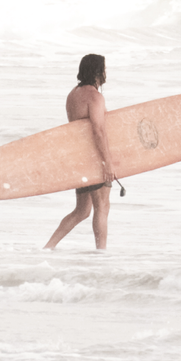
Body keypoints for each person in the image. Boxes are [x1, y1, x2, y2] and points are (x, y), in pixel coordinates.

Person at [43, 53, 116, 251]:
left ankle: (48, 247)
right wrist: (107, 162)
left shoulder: (73, 95)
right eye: (104, 69)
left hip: (78, 157)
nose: (106, 73)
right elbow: (98, 131)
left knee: (82, 210)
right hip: (94, 158)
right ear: (98, 72)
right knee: (102, 207)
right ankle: (101, 252)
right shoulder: (95, 96)